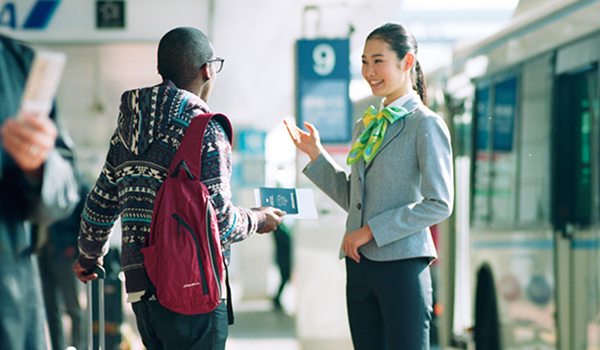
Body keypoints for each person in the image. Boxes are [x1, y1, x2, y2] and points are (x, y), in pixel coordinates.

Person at [72, 27, 285, 349]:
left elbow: (100, 202)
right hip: (191, 285)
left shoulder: (127, 128)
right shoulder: (205, 130)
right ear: (207, 69)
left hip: (141, 287)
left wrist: (89, 257)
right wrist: (259, 219)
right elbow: (221, 223)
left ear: (161, 71)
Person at [285, 22, 454, 350]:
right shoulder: (366, 125)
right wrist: (315, 155)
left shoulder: (426, 124)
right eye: (364, 61)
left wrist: (372, 231)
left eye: (378, 61)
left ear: (406, 63)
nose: (369, 71)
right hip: (360, 266)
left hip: (403, 266)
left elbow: (439, 203)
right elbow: (356, 199)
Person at [0, 34, 79, 350]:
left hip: (7, 300)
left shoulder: (17, 66)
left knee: (66, 309)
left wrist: (39, 164)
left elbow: (66, 189)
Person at [38, 182, 89, 350]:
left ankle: (79, 346)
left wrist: (75, 246)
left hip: (66, 254)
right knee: (51, 308)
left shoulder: (77, 185)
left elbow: (86, 219)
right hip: (43, 253)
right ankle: (58, 347)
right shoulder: (40, 181)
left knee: (73, 307)